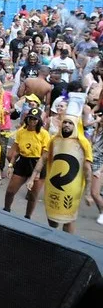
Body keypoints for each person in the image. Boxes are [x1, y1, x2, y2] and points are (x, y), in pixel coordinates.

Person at [27, 93, 92, 234]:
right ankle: (53, 242)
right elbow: (43, 160)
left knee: (69, 219)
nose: (67, 125)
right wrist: (32, 178)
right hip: (53, 185)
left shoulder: (83, 143)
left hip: (72, 187)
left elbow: (87, 169)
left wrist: (88, 192)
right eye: (65, 122)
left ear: (76, 125)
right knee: (52, 218)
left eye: (70, 123)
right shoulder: (54, 140)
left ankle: (67, 245)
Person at [4, 107, 51, 218]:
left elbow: (44, 156)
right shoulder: (21, 132)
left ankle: (27, 216)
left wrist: (35, 174)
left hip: (38, 163)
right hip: (23, 162)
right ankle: (6, 210)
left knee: (32, 196)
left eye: (35, 119)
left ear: (39, 120)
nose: (32, 121)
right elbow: (15, 151)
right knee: (10, 190)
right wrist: (11, 165)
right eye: (30, 118)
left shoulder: (44, 134)